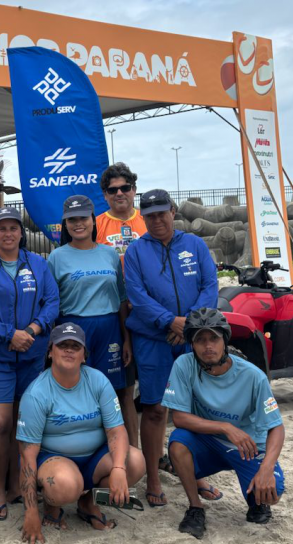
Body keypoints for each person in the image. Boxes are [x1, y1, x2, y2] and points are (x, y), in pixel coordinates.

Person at [0, 207, 59, 521]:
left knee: (24, 423)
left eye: (13, 228)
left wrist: (32, 330)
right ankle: (0, 491)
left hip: (31, 356)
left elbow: (52, 301)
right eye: (1, 228)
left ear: (21, 232)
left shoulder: (38, 264)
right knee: (0, 424)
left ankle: (21, 487)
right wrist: (9, 335)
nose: (8, 234)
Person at [123, 189, 219, 508]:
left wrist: (187, 324)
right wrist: (169, 322)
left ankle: (196, 473)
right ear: (143, 217)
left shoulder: (194, 244)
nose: (157, 220)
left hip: (190, 337)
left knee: (190, 409)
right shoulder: (136, 252)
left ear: (173, 211)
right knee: (154, 410)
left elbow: (210, 285)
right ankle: (153, 475)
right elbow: (136, 294)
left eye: (162, 213)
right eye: (150, 215)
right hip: (153, 339)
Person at [16, 323, 146, 543]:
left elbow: (116, 430)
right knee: (65, 485)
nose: (68, 350)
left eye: (75, 347)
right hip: (55, 460)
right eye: (62, 345)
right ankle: (51, 505)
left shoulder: (98, 380)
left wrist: (118, 468)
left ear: (84, 355)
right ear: (50, 352)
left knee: (135, 461)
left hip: (95, 457)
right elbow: (27, 456)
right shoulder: (37, 393)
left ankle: (89, 503)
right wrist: (30, 513)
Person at [164, 308, 285, 538]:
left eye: (213, 338)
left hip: (247, 447)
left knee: (272, 492)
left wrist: (267, 468)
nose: (207, 345)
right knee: (177, 442)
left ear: (225, 340)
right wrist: (225, 427)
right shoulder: (184, 364)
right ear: (192, 344)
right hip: (209, 442)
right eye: (200, 339)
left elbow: (276, 426)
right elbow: (179, 417)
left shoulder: (253, 376)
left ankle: (257, 502)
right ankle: (195, 508)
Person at [48, 196, 133, 435]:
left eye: (83, 218)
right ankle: (83, 450)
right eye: (71, 219)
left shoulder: (109, 255)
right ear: (64, 224)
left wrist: (126, 339)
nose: (78, 223)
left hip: (109, 330)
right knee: (76, 392)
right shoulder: (57, 257)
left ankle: (128, 456)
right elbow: (51, 303)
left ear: (92, 220)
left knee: (117, 394)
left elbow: (122, 299)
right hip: (73, 329)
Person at [95, 163, 145, 448]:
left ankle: (137, 452)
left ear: (134, 190)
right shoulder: (97, 224)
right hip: (113, 314)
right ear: (105, 194)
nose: (120, 193)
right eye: (113, 190)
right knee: (120, 389)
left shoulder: (147, 221)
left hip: (147, 312)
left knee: (151, 394)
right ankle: (116, 450)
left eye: (125, 187)